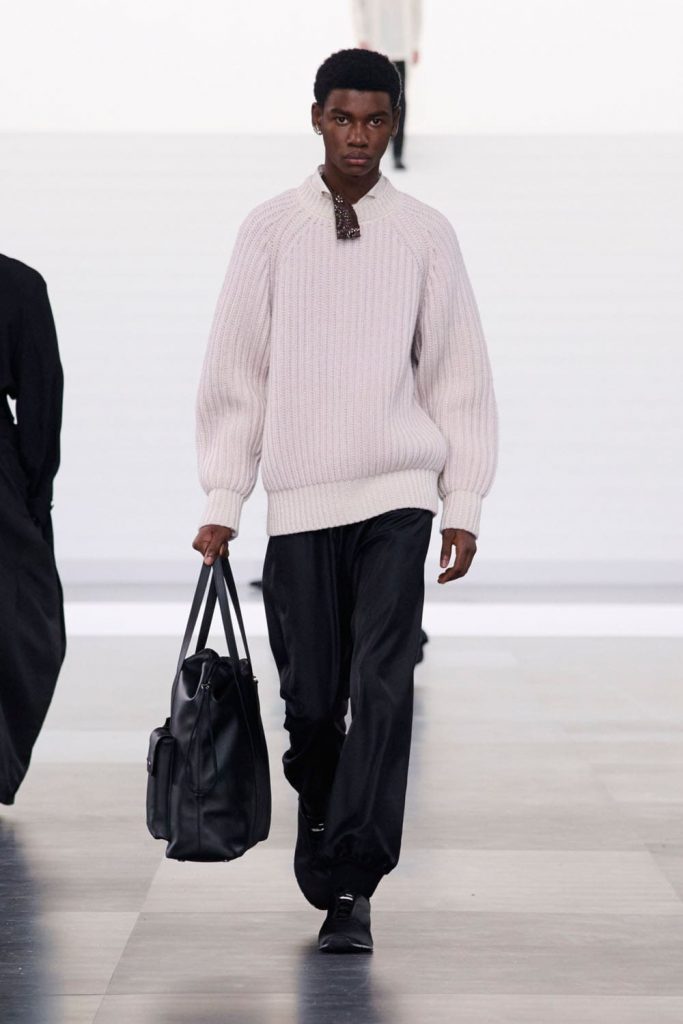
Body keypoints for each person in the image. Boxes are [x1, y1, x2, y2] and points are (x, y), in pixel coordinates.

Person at [193, 48, 498, 953]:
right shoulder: (268, 231)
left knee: (384, 685)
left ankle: (353, 883)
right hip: (299, 502)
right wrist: (224, 494)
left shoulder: (425, 234)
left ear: (392, 124)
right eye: (342, 118)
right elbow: (237, 372)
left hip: (398, 496)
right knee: (313, 704)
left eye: (373, 120)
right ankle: (324, 823)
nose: (357, 136)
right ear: (316, 118)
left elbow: (457, 374)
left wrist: (462, 500)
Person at [0, 256, 66, 805]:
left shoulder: (17, 283)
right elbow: (42, 394)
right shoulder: (16, 282)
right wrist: (33, 497)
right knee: (22, 624)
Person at [352, 0, 422, 169]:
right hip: (377, 44)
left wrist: (414, 44)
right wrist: (362, 36)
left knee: (400, 98)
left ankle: (398, 152)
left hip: (400, 46)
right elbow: (357, 5)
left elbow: (416, 9)